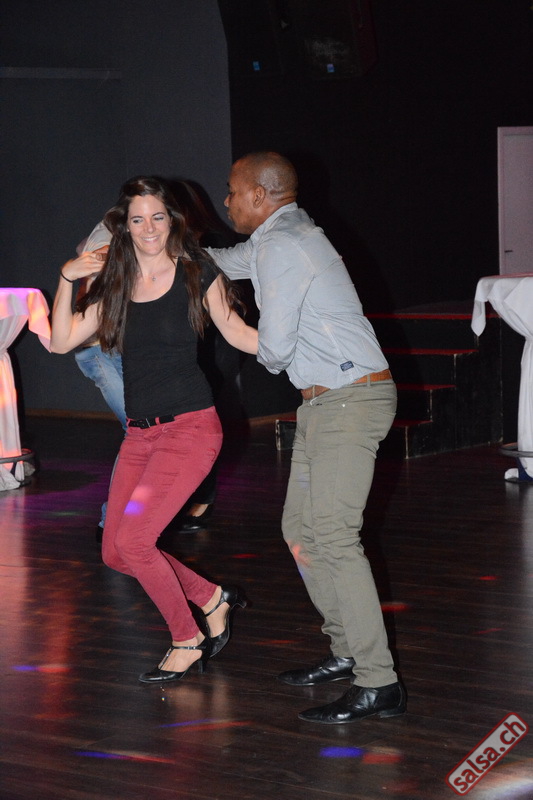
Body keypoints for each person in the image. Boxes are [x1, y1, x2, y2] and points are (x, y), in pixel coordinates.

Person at [207, 151, 406, 724]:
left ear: (258, 195)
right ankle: (347, 649)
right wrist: (162, 242)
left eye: (232, 191)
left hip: (351, 398)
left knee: (335, 537)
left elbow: (273, 352)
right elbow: (225, 259)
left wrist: (223, 317)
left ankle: (379, 681)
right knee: (301, 531)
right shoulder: (277, 236)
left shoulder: (285, 244)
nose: (226, 201)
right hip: (325, 401)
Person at [50, 176, 257, 683]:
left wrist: (300, 347)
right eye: (137, 219)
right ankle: (212, 598)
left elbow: (236, 332)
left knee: (138, 542)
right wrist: (66, 277)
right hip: (140, 437)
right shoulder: (116, 285)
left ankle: (188, 639)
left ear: (172, 221)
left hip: (190, 430)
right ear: (123, 226)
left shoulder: (196, 273)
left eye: (157, 217)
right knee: (115, 551)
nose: (148, 228)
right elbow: (60, 342)